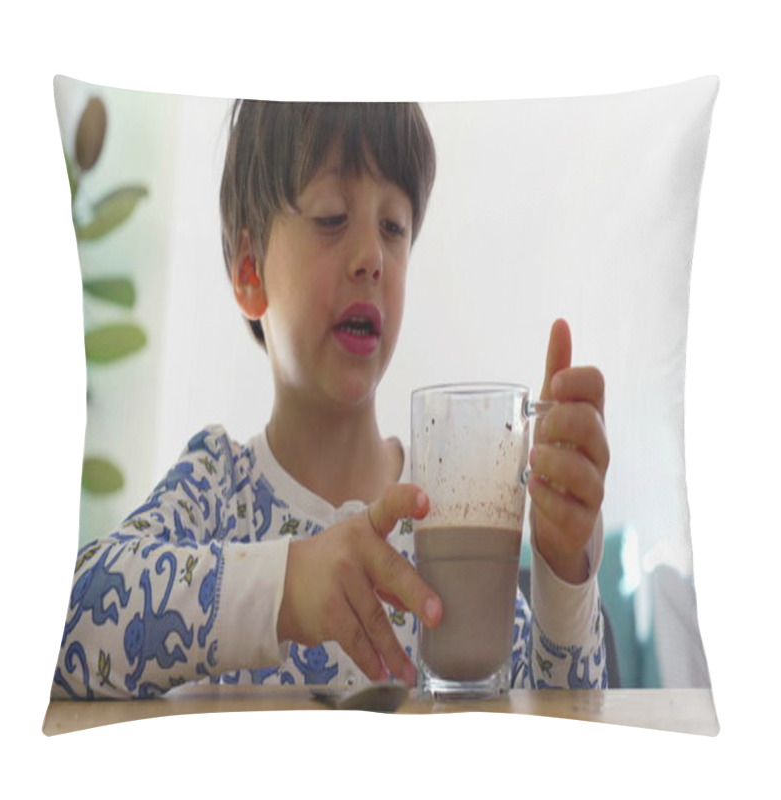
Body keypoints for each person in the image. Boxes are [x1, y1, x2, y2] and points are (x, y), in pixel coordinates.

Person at [52, 101, 610, 699]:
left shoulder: (441, 512)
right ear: (249, 274)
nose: (371, 256)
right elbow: (68, 626)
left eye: (394, 228)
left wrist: (563, 573)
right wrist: (287, 588)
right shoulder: (218, 486)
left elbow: (560, 716)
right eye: (331, 217)